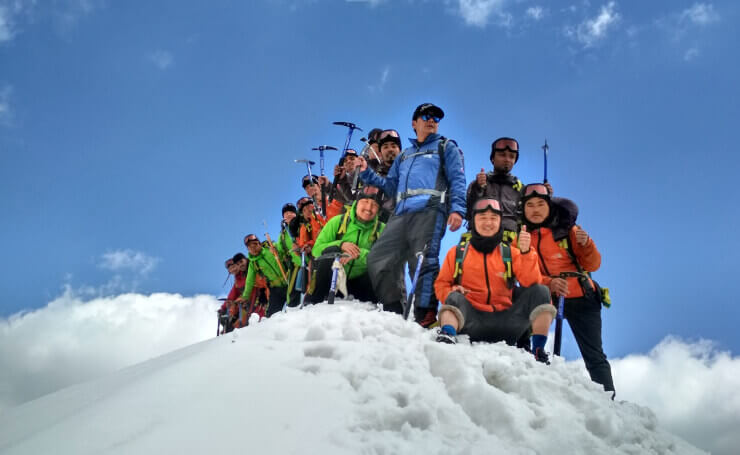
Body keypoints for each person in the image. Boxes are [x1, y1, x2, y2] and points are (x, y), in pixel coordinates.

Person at [356, 103, 466, 325]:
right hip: (401, 214)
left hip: (430, 211)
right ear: (414, 123)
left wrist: (457, 209)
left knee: (424, 262)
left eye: (436, 117)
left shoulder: (446, 148)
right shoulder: (404, 156)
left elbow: (458, 180)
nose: (432, 120)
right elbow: (390, 186)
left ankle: (424, 314)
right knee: (378, 257)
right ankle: (393, 306)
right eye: (426, 116)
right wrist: (366, 173)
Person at [434, 197, 556, 363]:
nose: (488, 223)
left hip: (508, 323)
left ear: (500, 222)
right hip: (471, 322)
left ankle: (538, 350)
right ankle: (448, 335)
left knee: (541, 291)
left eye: (493, 218)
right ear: (474, 221)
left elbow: (531, 282)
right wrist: (452, 290)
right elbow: (441, 285)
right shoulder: (457, 253)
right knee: (453, 297)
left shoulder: (510, 253)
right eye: (482, 218)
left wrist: (526, 253)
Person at [521, 183, 615, 391]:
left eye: (540, 204)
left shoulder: (568, 230)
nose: (535, 210)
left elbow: (593, 265)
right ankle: (533, 384)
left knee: (594, 355)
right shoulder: (523, 236)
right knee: (527, 341)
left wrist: (586, 244)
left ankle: (610, 402)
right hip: (549, 297)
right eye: (530, 205)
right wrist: (549, 282)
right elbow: (526, 275)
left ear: (549, 206)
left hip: (583, 297)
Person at [309, 186, 386, 303]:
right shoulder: (337, 222)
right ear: (356, 203)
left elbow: (385, 259)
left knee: (380, 267)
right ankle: (317, 301)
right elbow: (316, 250)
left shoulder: (382, 229)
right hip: (334, 280)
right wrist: (341, 245)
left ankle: (375, 309)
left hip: (362, 286)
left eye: (374, 205)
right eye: (365, 202)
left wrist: (358, 254)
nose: (369, 208)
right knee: (331, 250)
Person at [237, 234, 299, 318]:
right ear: (248, 249)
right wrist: (245, 296)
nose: (253, 248)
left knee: (294, 307)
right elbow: (250, 280)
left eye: (255, 244)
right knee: (271, 316)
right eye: (250, 247)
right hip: (276, 289)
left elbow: (284, 249)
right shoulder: (253, 263)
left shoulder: (271, 249)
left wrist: (278, 250)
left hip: (289, 282)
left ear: (259, 243)